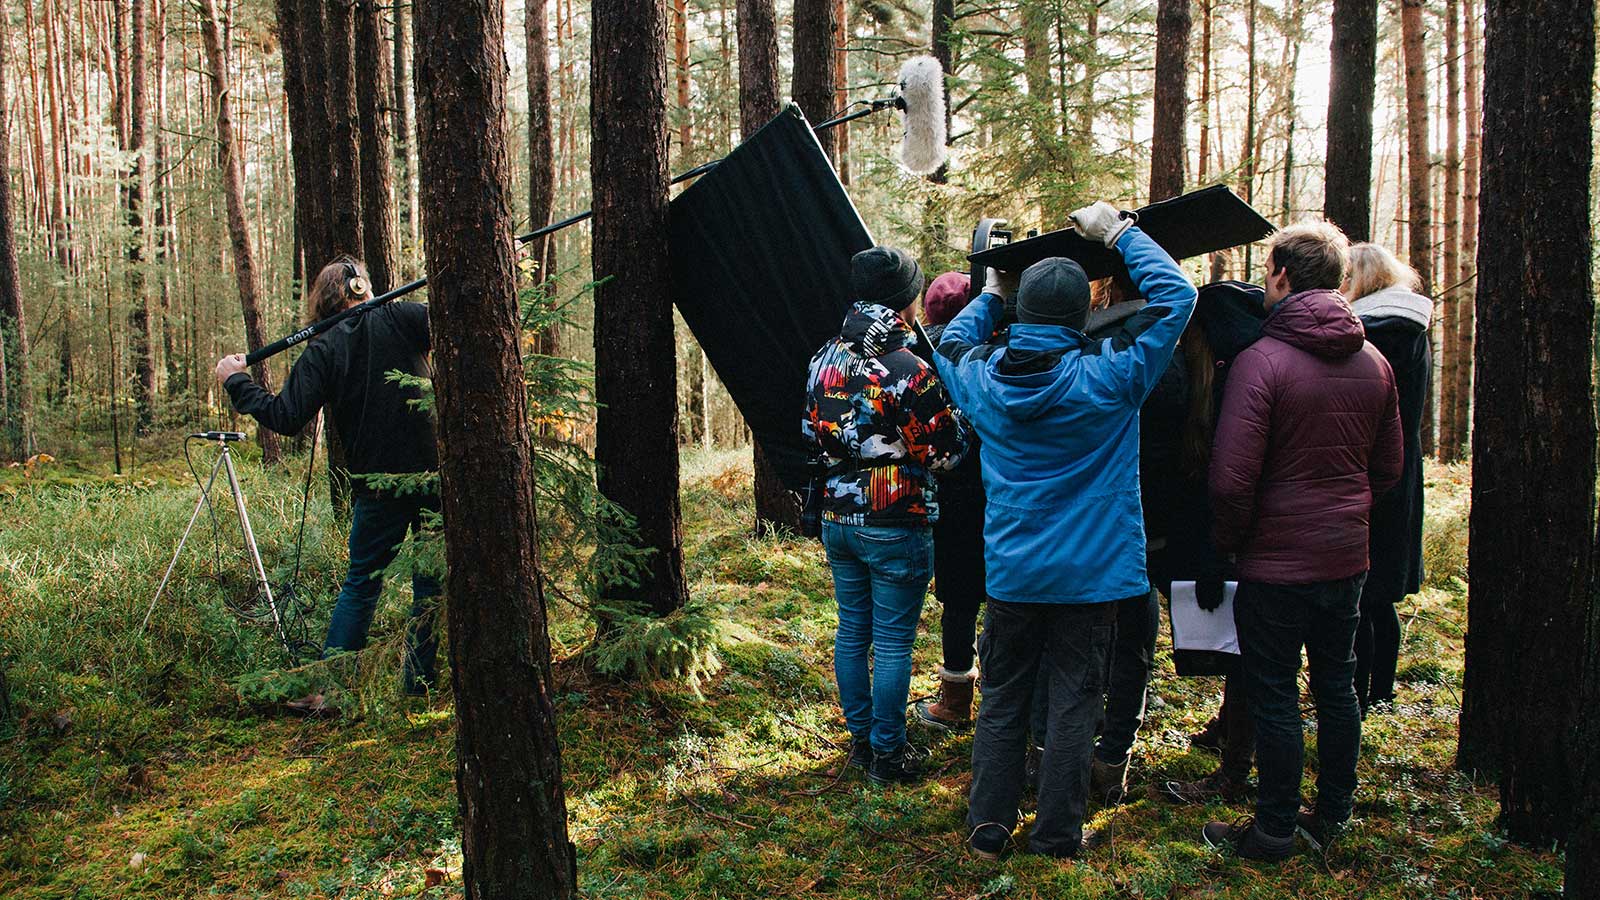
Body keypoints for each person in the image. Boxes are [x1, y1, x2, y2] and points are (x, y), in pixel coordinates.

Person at [936, 202, 1197, 859]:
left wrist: (992, 295)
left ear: (1023, 314)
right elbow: (1176, 296)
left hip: (1017, 572)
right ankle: (1056, 833)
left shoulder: (982, 381)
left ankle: (989, 826)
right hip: (1094, 575)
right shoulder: (1113, 377)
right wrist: (1120, 235)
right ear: (1082, 313)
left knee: (1002, 701)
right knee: (1077, 703)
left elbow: (950, 342)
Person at [1202, 222, 1403, 859]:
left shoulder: (1262, 361)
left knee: (1275, 691)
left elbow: (1231, 480)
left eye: (1268, 273)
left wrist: (1232, 543)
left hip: (1275, 563)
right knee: (1337, 687)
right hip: (1346, 559)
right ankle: (1334, 812)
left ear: (1283, 276)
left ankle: (1275, 828)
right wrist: (1347, 511)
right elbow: (1389, 466)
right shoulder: (1374, 361)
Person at [215, 257, 440, 713]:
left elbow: (283, 416)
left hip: (385, 487)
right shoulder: (402, 316)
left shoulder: (325, 348)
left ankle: (336, 691)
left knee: (364, 584)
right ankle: (420, 690)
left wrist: (237, 381)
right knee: (429, 585)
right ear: (363, 288)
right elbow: (458, 314)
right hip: (434, 476)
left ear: (323, 300)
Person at [803, 247, 971, 787]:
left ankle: (860, 741)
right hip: (895, 518)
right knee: (895, 640)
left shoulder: (822, 359)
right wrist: (961, 421)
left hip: (836, 516)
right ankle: (888, 756)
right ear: (907, 302)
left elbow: (810, 436)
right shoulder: (906, 369)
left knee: (853, 628)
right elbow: (945, 454)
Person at [1153, 281, 1269, 805]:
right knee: (1249, 652)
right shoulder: (1241, 367)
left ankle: (1235, 775)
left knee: (1250, 656)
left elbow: (1225, 482)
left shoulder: (1231, 380)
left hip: (1244, 539)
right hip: (1243, 536)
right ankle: (1231, 733)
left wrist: (1214, 553)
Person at [1344, 243, 1431, 715]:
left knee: (1364, 588)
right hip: (1401, 466)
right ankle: (1380, 691)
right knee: (1380, 594)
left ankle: (1362, 691)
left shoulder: (1376, 331)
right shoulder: (1411, 328)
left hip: (1372, 469)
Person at [914, 272, 988, 733]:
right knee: (1003, 600)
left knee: (958, 603)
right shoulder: (991, 353)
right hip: (998, 492)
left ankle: (957, 700)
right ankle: (1001, 698)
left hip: (950, 499)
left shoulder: (919, 362)